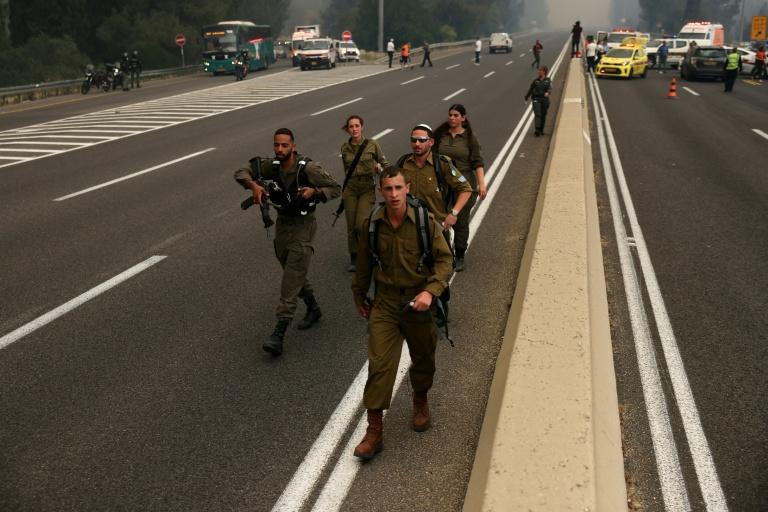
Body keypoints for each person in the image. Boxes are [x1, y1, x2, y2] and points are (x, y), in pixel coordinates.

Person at [351, 167, 453, 460]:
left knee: (423, 360)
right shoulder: (371, 224)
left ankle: (420, 398)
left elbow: (445, 261)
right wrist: (359, 295)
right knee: (379, 364)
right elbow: (363, 265)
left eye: (398, 188)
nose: (393, 194)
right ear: (381, 191)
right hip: (384, 303)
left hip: (417, 302)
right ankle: (374, 431)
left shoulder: (424, 222)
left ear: (407, 188)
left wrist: (429, 291)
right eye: (388, 189)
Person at [234, 128, 341, 357]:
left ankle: (279, 333)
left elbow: (335, 188)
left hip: (303, 226)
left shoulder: (308, 168)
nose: (280, 150)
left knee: (291, 277)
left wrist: (315, 192)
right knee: (291, 268)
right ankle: (313, 307)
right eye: (276, 145)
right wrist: (254, 186)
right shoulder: (271, 166)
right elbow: (241, 171)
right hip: (283, 225)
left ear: (293, 146)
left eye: (284, 145)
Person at [433, 104, 486, 272]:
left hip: (465, 184)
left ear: (463, 118)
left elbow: (477, 162)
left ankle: (460, 253)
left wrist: (482, 184)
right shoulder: (441, 135)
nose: (452, 118)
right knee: (441, 217)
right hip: (444, 184)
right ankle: (444, 253)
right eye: (450, 115)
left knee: (460, 220)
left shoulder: (470, 138)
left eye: (456, 115)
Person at [396, 124, 472, 234]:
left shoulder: (442, 163)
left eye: (422, 140)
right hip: (409, 224)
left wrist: (453, 214)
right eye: (414, 140)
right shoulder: (403, 163)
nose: (417, 144)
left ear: (431, 142)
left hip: (436, 226)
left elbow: (466, 189)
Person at [338, 115, 389, 272]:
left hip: (367, 187)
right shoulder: (344, 147)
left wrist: (379, 170)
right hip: (351, 188)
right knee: (351, 226)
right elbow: (346, 170)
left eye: (357, 126)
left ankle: (369, 252)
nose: (354, 129)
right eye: (351, 126)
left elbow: (385, 165)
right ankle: (354, 257)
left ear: (362, 127)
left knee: (362, 224)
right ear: (348, 129)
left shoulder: (372, 144)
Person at [525, 66, 552, 137]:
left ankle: (541, 129)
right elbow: (531, 89)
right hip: (536, 99)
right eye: (539, 70)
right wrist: (526, 97)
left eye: (540, 70)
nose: (539, 72)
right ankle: (537, 130)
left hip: (544, 100)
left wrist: (548, 93)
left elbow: (550, 88)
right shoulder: (535, 81)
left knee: (543, 115)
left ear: (544, 72)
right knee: (538, 114)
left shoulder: (548, 80)